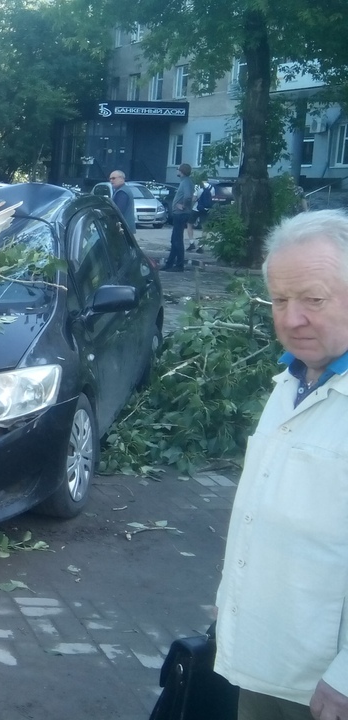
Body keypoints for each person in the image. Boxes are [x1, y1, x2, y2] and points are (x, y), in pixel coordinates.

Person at [213, 209, 348, 720]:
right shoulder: (294, 380)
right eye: (281, 300)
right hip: (269, 663)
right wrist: (230, 601)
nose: (291, 319)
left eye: (313, 299)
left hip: (326, 691)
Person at [166, 163, 193, 271]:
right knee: (174, 239)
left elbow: (187, 196)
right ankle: (169, 263)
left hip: (181, 214)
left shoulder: (186, 182)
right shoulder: (185, 182)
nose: (176, 171)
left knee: (177, 240)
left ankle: (179, 265)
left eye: (177, 169)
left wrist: (183, 206)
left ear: (181, 171)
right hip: (179, 214)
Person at [188, 179, 213, 252]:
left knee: (189, 224)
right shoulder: (212, 187)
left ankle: (191, 243)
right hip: (206, 209)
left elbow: (194, 199)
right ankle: (201, 246)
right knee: (204, 228)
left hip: (196, 208)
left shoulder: (198, 187)